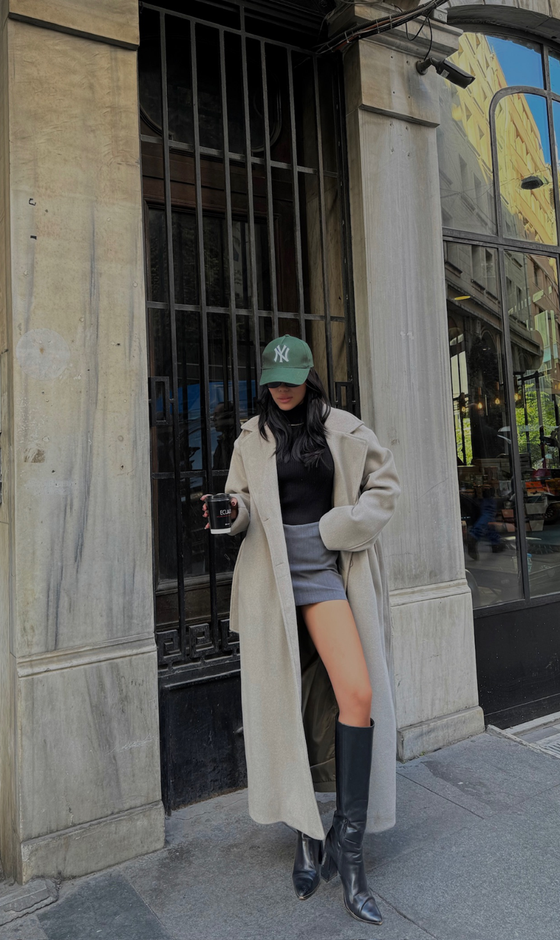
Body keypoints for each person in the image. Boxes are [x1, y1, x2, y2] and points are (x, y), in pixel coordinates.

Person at [202, 335, 400, 926]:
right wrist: (231, 512)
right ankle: (306, 836)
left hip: (322, 575)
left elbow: (385, 488)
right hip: (271, 581)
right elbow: (242, 503)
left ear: (310, 376)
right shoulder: (251, 437)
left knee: (357, 695)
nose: (281, 389)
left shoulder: (344, 428)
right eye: (272, 380)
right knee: (288, 708)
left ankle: (349, 849)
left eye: (290, 380)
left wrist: (338, 527)